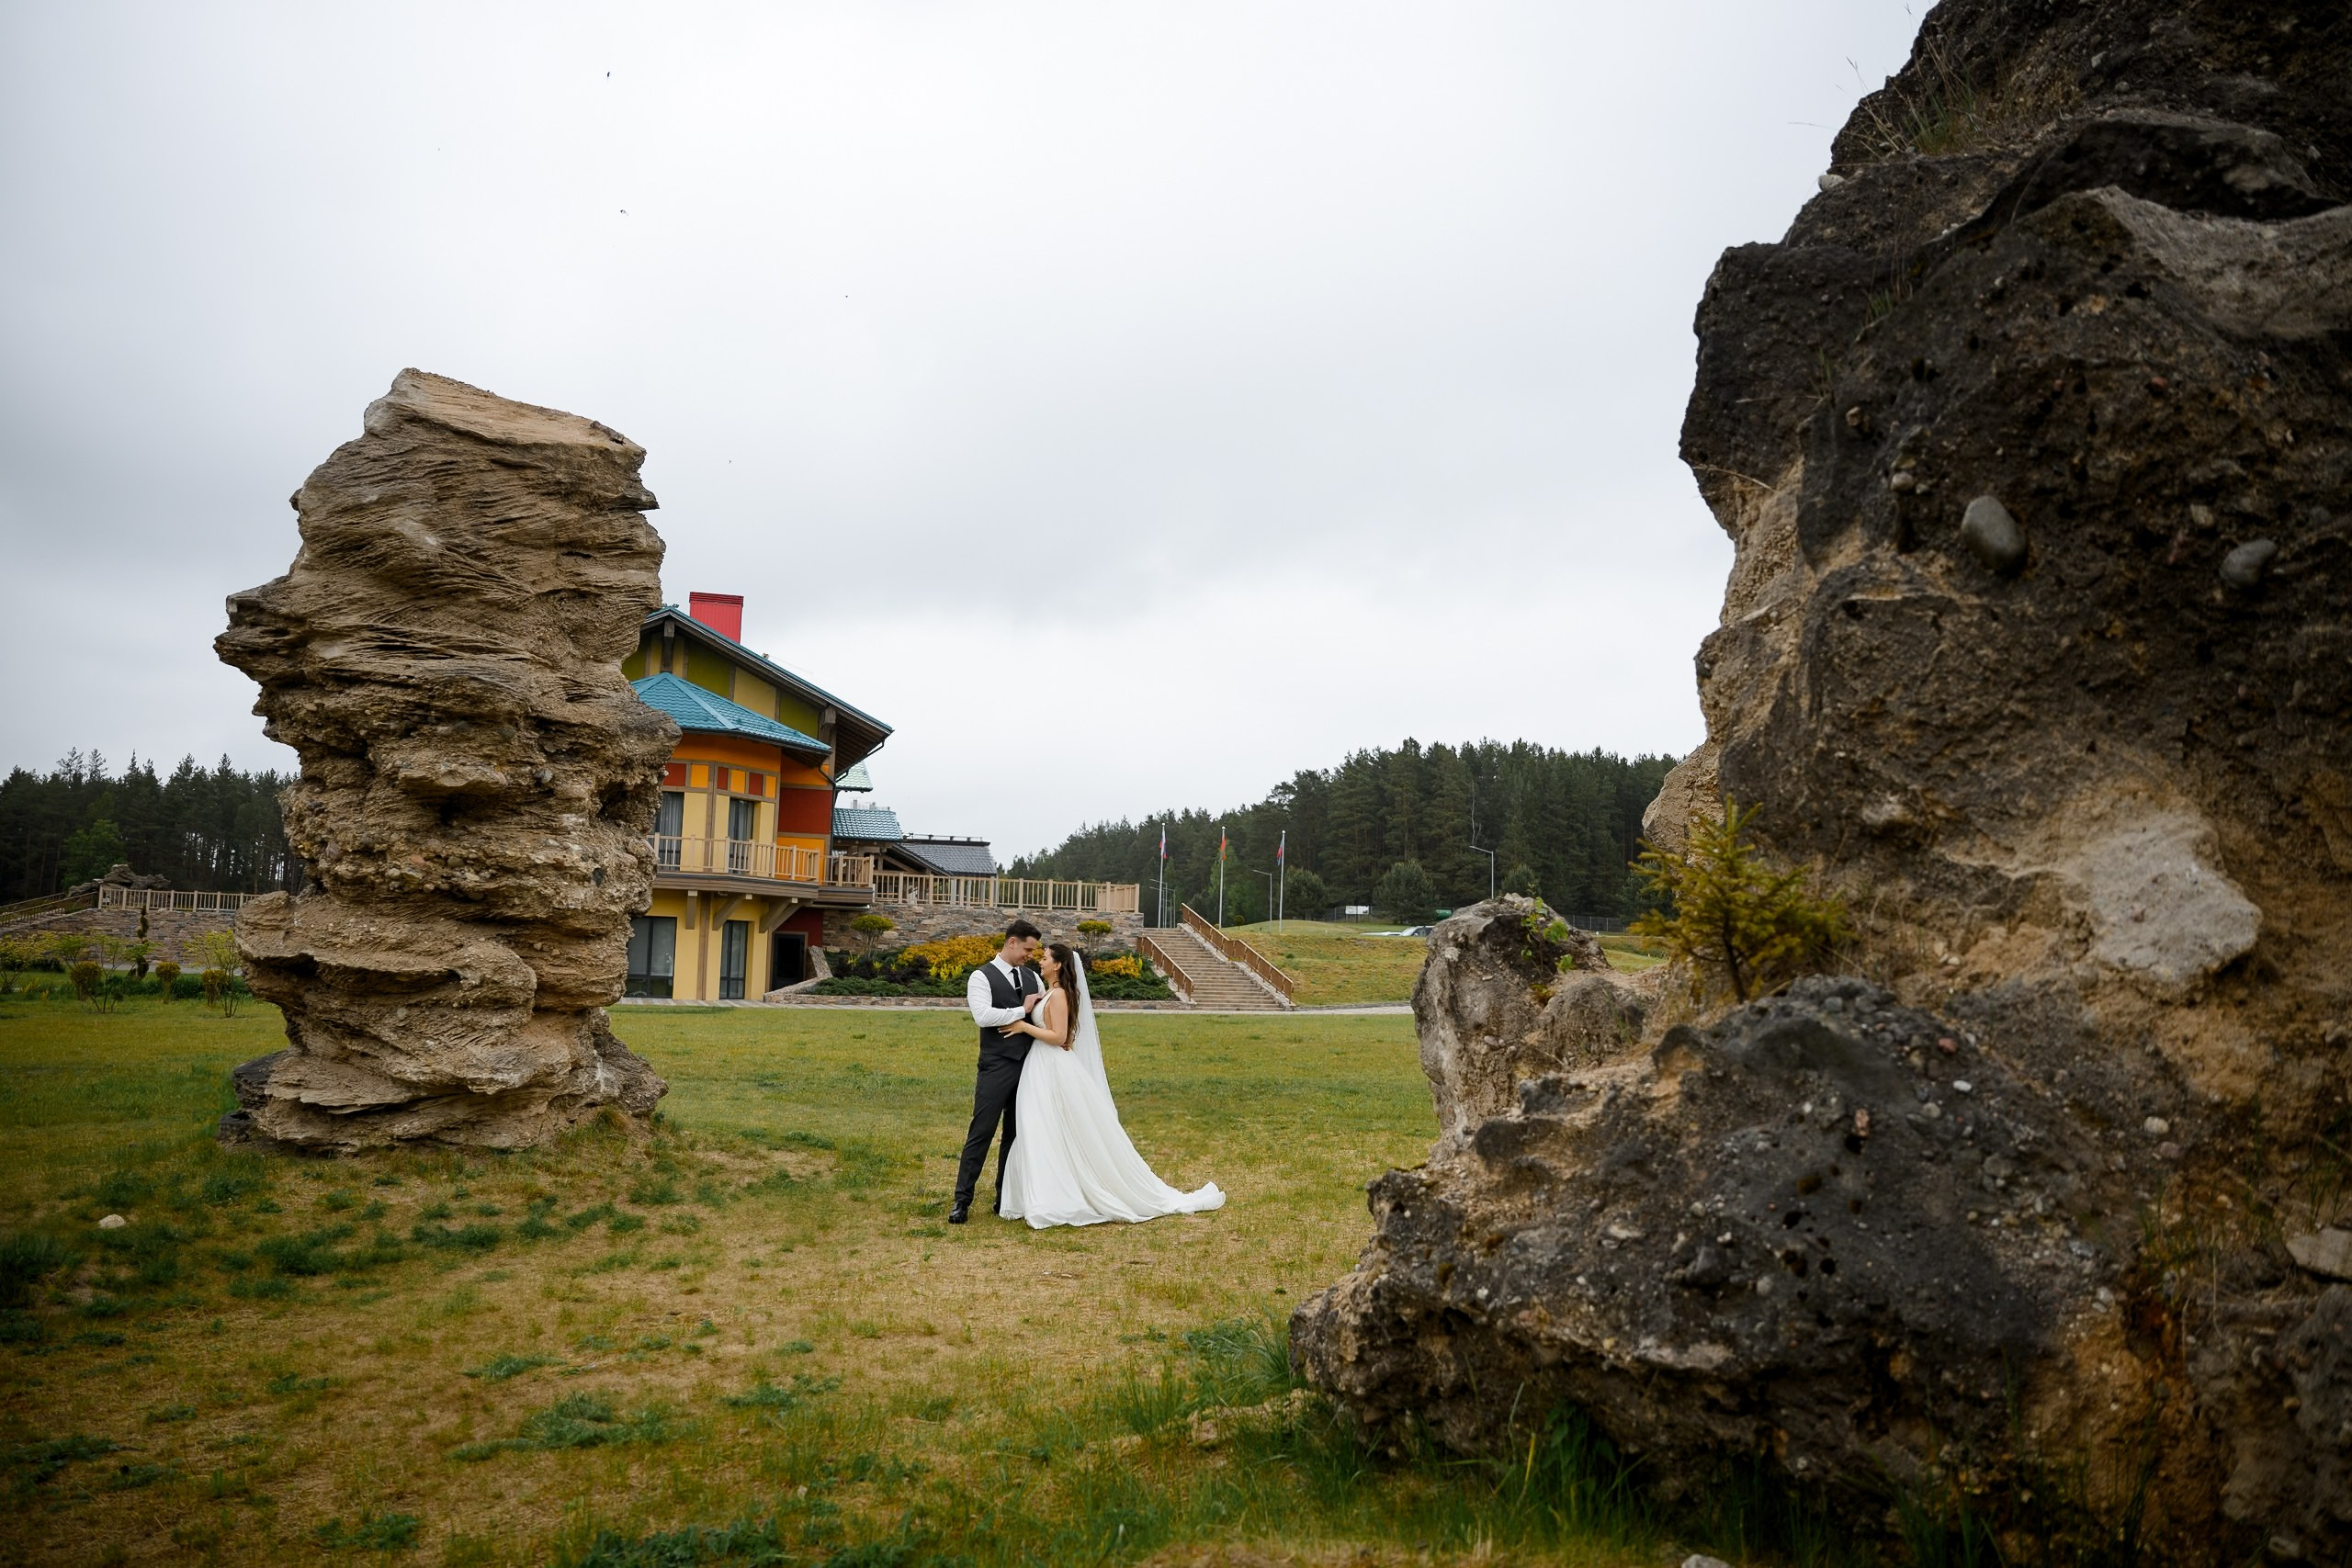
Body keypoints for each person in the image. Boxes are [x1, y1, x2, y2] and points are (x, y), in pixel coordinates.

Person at [993, 942, 1225, 1228]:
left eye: (1044, 958)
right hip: (1040, 1067)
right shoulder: (1050, 993)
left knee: (1047, 1125)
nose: (1039, 961)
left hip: (1052, 1067)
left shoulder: (1061, 995)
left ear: (1058, 965)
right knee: (1038, 1126)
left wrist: (1024, 1026)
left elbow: (1060, 1036)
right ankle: (1038, 1192)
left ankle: (1057, 1196)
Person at [951, 919, 1047, 1224]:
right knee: (981, 1132)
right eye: (1027, 950)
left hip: (1030, 1066)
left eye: (1034, 952)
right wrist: (1022, 1009)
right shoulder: (981, 977)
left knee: (1015, 1135)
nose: (1030, 956)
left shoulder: (1034, 978)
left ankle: (1003, 1198)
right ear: (1012, 943)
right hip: (995, 1066)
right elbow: (983, 1015)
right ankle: (961, 1201)